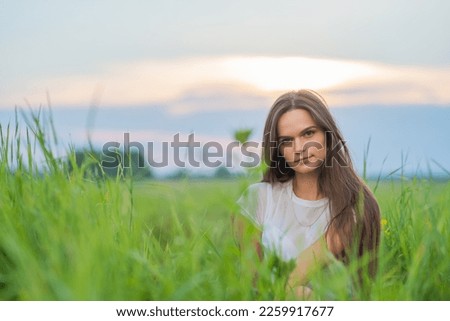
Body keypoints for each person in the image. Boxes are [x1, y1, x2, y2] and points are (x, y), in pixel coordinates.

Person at [234, 89, 380, 298]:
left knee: (301, 293)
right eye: (286, 141)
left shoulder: (352, 206)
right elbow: (251, 285)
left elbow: (292, 281)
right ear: (278, 149)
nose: (299, 148)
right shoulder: (257, 199)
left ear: (327, 136)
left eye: (308, 133)